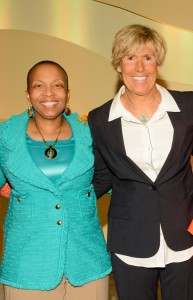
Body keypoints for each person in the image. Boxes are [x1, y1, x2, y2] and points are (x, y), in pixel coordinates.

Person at [88, 24, 193, 300]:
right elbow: (100, 178)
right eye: (130, 57)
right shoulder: (99, 119)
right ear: (118, 65)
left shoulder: (188, 107)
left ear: (157, 63)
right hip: (129, 241)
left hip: (184, 236)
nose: (139, 67)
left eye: (147, 57)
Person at [0, 60, 111, 300]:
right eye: (39, 85)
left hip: (87, 264)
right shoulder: (5, 137)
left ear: (68, 94)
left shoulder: (91, 134)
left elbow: (119, 180)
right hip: (27, 266)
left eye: (57, 85)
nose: (48, 93)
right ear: (28, 95)